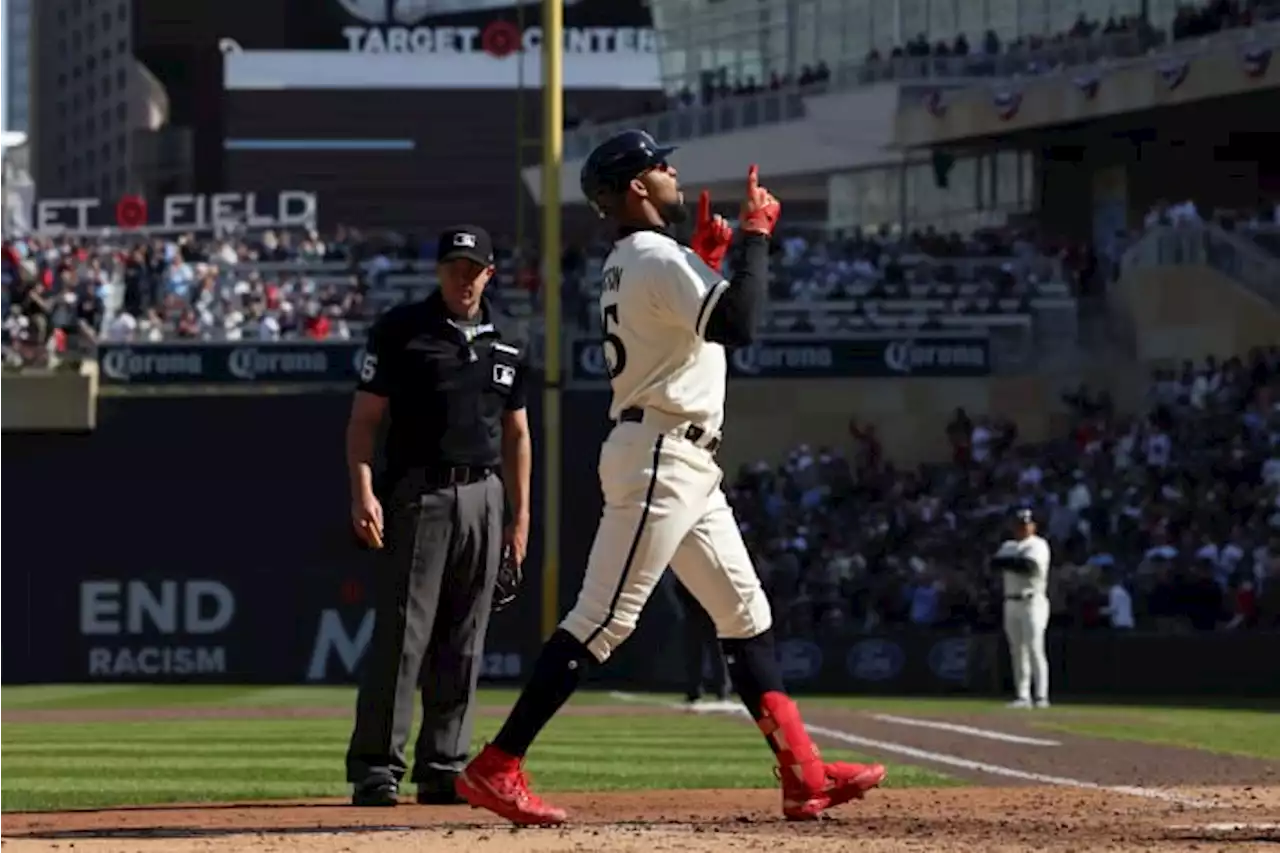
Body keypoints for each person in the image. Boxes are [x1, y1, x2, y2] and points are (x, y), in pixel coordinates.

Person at [454, 129, 885, 826]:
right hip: (661, 451)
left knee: (746, 614)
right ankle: (498, 763)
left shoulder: (644, 257)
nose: (672, 172)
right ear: (635, 188)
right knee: (601, 621)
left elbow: (690, 328)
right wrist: (752, 236)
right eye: (660, 166)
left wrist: (710, 259)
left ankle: (803, 771)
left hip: (684, 458)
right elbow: (740, 323)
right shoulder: (655, 255)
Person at [343, 224, 532, 806]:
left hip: (484, 495)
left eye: (473, 267)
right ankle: (378, 767)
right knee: (403, 635)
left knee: (465, 636)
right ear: (439, 271)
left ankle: (444, 765)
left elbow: (518, 435)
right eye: (454, 265)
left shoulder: (510, 340)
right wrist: (363, 490)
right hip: (419, 494)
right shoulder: (402, 330)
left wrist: (519, 520)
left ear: (489, 273)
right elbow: (364, 422)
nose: (463, 276)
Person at [991, 508, 1052, 708]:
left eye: (1026, 524)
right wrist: (1011, 562)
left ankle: (1041, 696)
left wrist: (1008, 562)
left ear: (1033, 526)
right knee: (1017, 650)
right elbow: (993, 564)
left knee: (1035, 647)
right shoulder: (1008, 545)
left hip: (1032, 600)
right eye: (1019, 525)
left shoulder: (1038, 544)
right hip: (1010, 601)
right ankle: (1023, 695)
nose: (1022, 528)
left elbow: (1029, 568)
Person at [672, 576, 732, 706]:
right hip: (694, 613)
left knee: (717, 654)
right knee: (694, 654)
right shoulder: (688, 571)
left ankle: (722, 691)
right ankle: (694, 692)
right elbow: (679, 589)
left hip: (713, 615)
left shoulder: (712, 573)